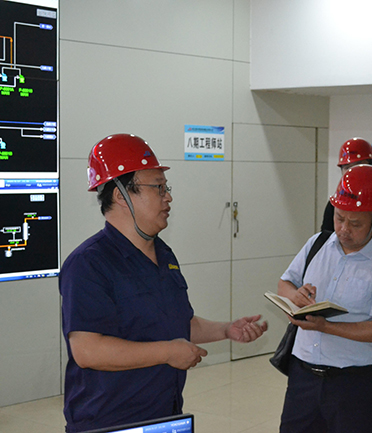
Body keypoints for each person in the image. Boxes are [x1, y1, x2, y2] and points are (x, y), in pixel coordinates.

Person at [59, 134, 268, 433]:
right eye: (158, 187)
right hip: (110, 422)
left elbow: (175, 322)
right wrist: (168, 352)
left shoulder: (163, 254)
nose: (168, 197)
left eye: (166, 187)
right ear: (121, 195)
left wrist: (225, 330)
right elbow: (88, 351)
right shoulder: (88, 264)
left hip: (164, 415)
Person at [278, 164, 372, 433]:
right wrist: (295, 296)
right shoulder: (317, 244)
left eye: (355, 223)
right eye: (339, 218)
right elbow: (285, 283)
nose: (344, 229)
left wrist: (326, 326)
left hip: (354, 383)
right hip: (303, 378)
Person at [320, 137, 372, 432]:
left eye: (359, 166)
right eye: (347, 168)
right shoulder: (335, 203)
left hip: (371, 297)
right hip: (335, 302)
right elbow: (329, 246)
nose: (352, 173)